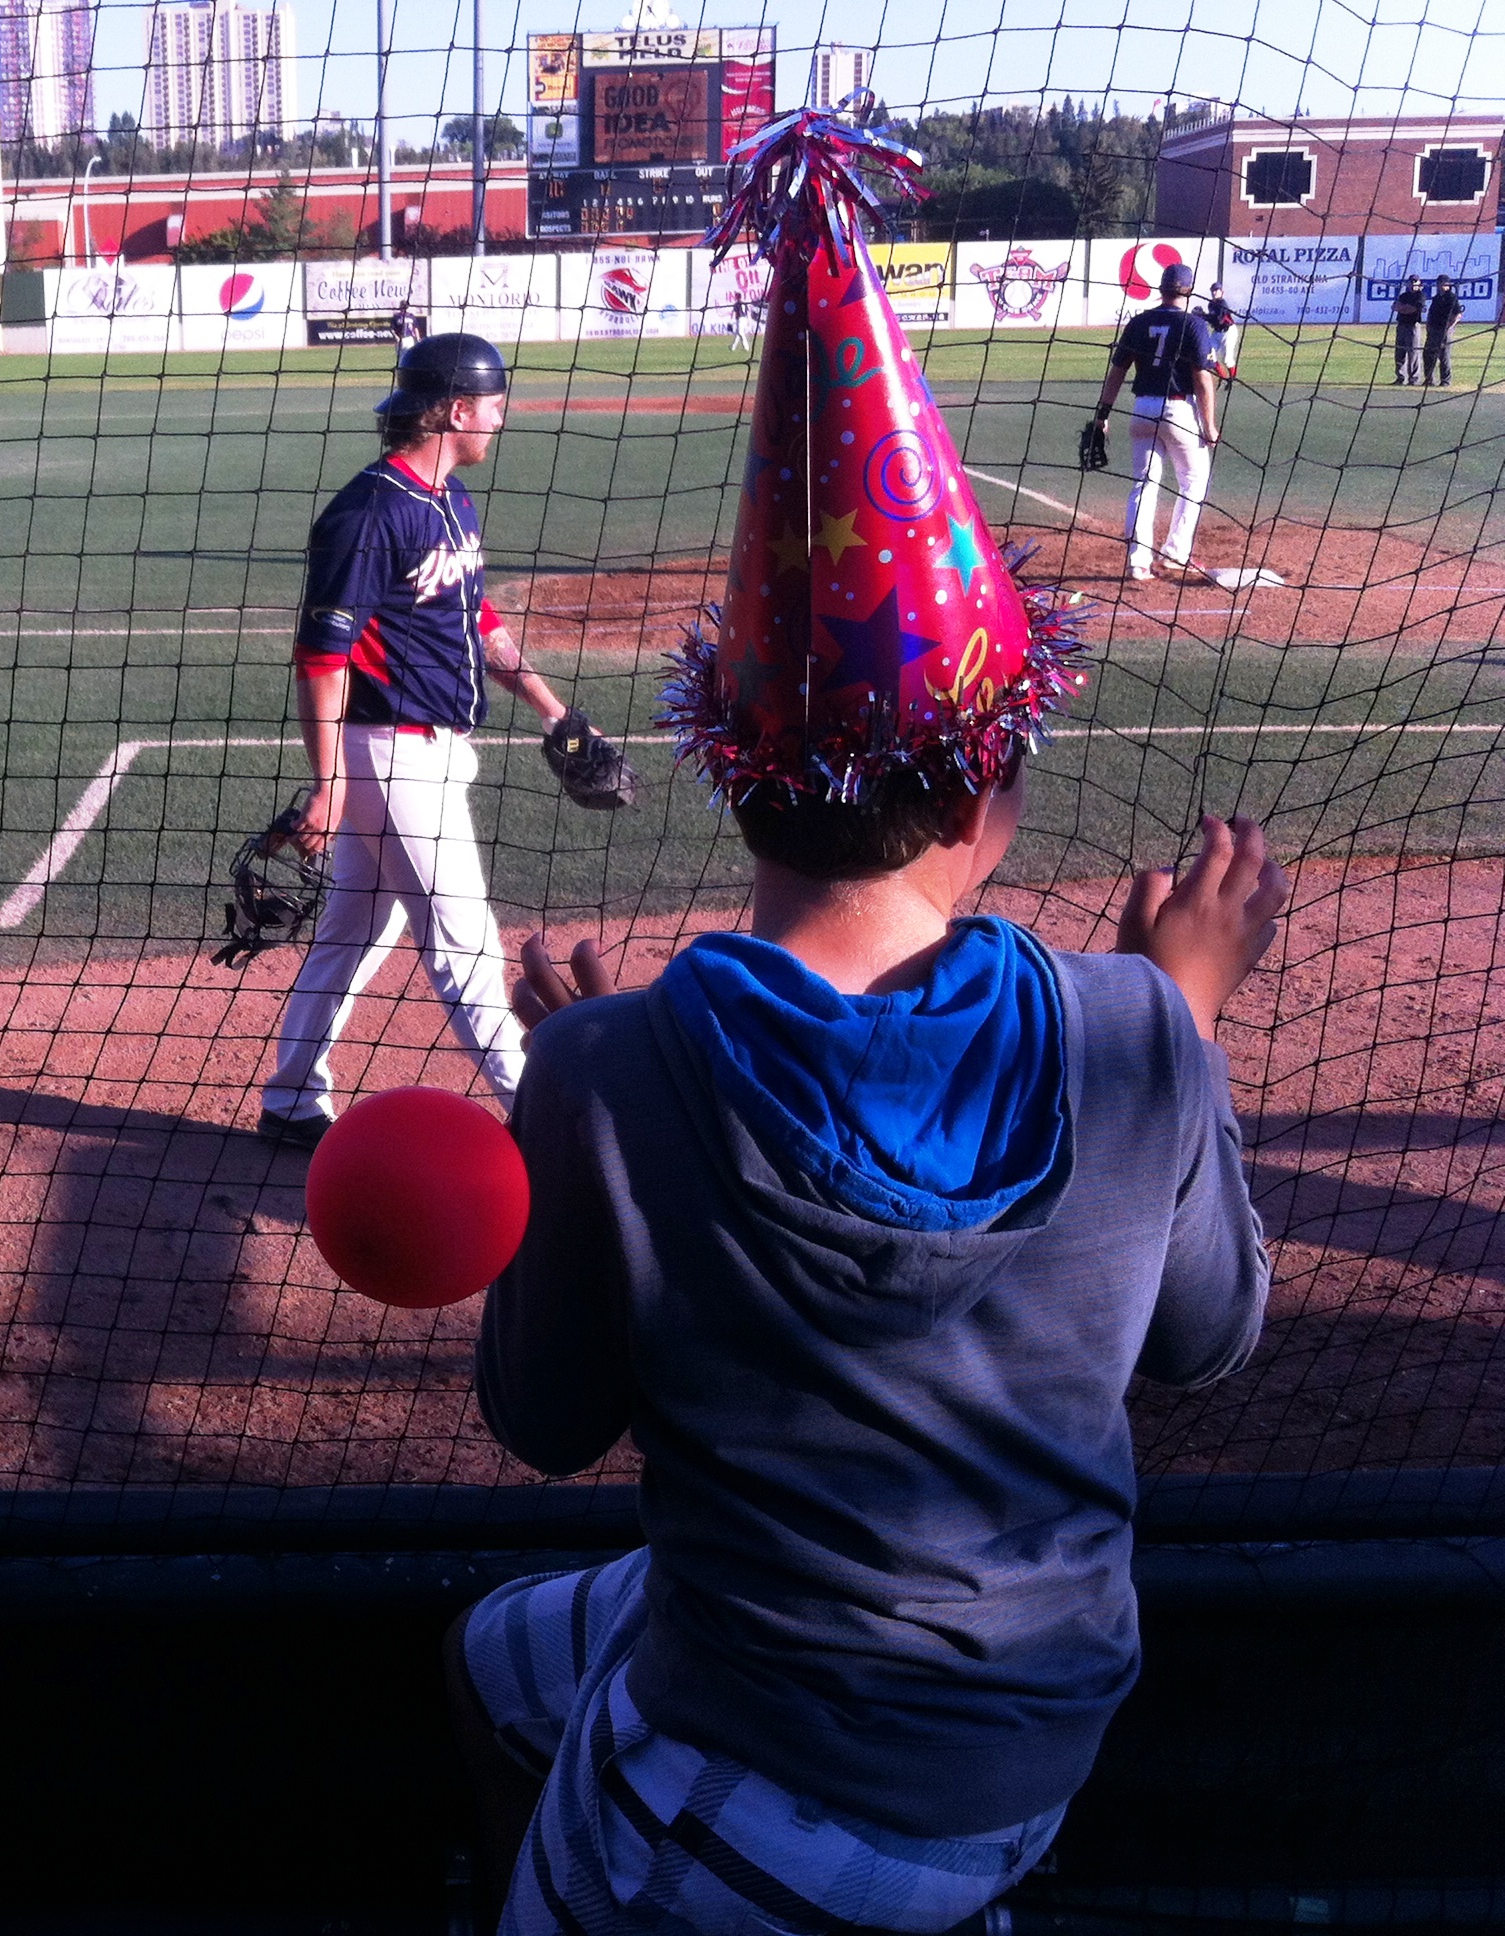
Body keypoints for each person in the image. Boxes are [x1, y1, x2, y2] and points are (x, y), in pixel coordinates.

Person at [446, 132, 1279, 1927]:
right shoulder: (1129, 1029)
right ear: (996, 797)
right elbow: (1205, 1342)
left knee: (515, 1674)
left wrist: (572, 1104)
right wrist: (1181, 1021)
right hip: (1030, 1735)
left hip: (781, 1764)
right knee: (512, 1652)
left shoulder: (612, 1068)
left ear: (728, 776)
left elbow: (540, 1421)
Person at [254, 333, 573, 1148]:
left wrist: (550, 707)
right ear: (458, 410)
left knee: (356, 930)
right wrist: (327, 787)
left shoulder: (448, 500)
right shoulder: (368, 513)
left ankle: (291, 1098)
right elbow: (322, 660)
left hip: (430, 750)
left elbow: (476, 619)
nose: (501, 419)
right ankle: (551, 1121)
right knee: (464, 943)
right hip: (388, 752)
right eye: (495, 405)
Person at [1091, 261, 1220, 583]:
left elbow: (1118, 371)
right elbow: (1202, 380)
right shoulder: (1194, 325)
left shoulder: (1139, 322)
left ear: (1161, 289)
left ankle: (1138, 563)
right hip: (1179, 411)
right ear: (1188, 291)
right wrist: (1210, 426)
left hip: (1142, 409)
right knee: (1193, 481)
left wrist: (1102, 415)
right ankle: (1176, 553)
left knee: (1143, 484)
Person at [1426, 274, 1461, 388]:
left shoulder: (1451, 297)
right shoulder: (1436, 298)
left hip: (1444, 329)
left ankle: (1445, 380)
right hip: (1434, 328)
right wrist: (1428, 325)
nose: (1440, 286)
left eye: (1442, 283)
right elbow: (1431, 313)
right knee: (1428, 354)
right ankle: (1429, 379)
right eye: (1439, 283)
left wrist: (1451, 326)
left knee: (1444, 355)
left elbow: (1458, 314)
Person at [1201, 283, 1240, 383]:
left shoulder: (1222, 304)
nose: (1214, 292)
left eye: (1217, 290)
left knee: (1227, 359)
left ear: (1222, 292)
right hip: (1217, 333)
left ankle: (1231, 379)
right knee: (1209, 355)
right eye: (1213, 290)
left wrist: (1203, 316)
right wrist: (1203, 316)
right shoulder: (1211, 304)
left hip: (1228, 332)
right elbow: (1212, 321)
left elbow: (1219, 320)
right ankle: (1223, 378)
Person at [1392, 274, 1426, 386]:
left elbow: (1414, 309)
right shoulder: (1403, 295)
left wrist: (1404, 308)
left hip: (1413, 325)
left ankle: (1414, 378)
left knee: (1413, 352)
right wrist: (1404, 308)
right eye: (1411, 283)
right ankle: (1401, 378)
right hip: (1401, 325)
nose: (1413, 285)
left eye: (1415, 283)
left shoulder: (1420, 296)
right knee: (1399, 352)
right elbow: (1395, 307)